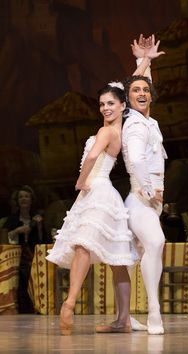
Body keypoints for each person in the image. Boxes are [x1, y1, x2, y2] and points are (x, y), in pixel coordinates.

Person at [46, 57, 152, 334]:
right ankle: (123, 320)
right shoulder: (116, 126)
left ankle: (70, 303)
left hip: (98, 190)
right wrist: (144, 63)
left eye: (111, 103)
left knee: (84, 246)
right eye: (102, 103)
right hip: (100, 192)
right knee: (116, 260)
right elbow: (126, 86)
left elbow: (92, 156)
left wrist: (80, 182)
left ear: (122, 106)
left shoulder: (108, 131)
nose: (105, 107)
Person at [121, 35, 167, 335]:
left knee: (130, 257)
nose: (141, 93)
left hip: (149, 201)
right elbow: (136, 161)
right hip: (140, 199)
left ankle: (125, 317)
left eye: (145, 91)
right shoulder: (136, 124)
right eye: (135, 91)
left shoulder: (149, 121)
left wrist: (145, 61)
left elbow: (142, 87)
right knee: (156, 243)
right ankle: (154, 312)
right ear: (127, 98)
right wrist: (150, 191)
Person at [3, 185, 45, 313]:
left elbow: (43, 239)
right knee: (22, 273)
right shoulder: (12, 219)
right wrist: (17, 230)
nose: (24, 199)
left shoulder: (36, 218)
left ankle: (36, 306)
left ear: (31, 200)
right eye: (21, 197)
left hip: (33, 256)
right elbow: (5, 238)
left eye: (26, 196)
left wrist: (39, 226)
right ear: (17, 201)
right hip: (17, 258)